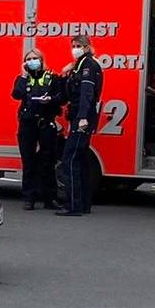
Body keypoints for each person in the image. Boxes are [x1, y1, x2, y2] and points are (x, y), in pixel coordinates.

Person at [57, 35, 103, 216]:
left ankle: (73, 206)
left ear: (87, 47)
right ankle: (83, 203)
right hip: (79, 115)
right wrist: (65, 73)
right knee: (81, 160)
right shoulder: (81, 64)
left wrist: (83, 117)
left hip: (82, 117)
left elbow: (86, 93)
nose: (75, 48)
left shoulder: (88, 65)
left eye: (79, 45)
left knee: (70, 159)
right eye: (73, 45)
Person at [11, 49, 63, 210]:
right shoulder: (23, 78)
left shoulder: (52, 77)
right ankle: (29, 198)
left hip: (46, 123)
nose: (33, 61)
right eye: (29, 59)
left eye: (36, 58)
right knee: (28, 162)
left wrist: (51, 100)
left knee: (48, 161)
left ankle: (50, 198)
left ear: (42, 60)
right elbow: (16, 95)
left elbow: (62, 98)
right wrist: (23, 75)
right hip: (27, 124)